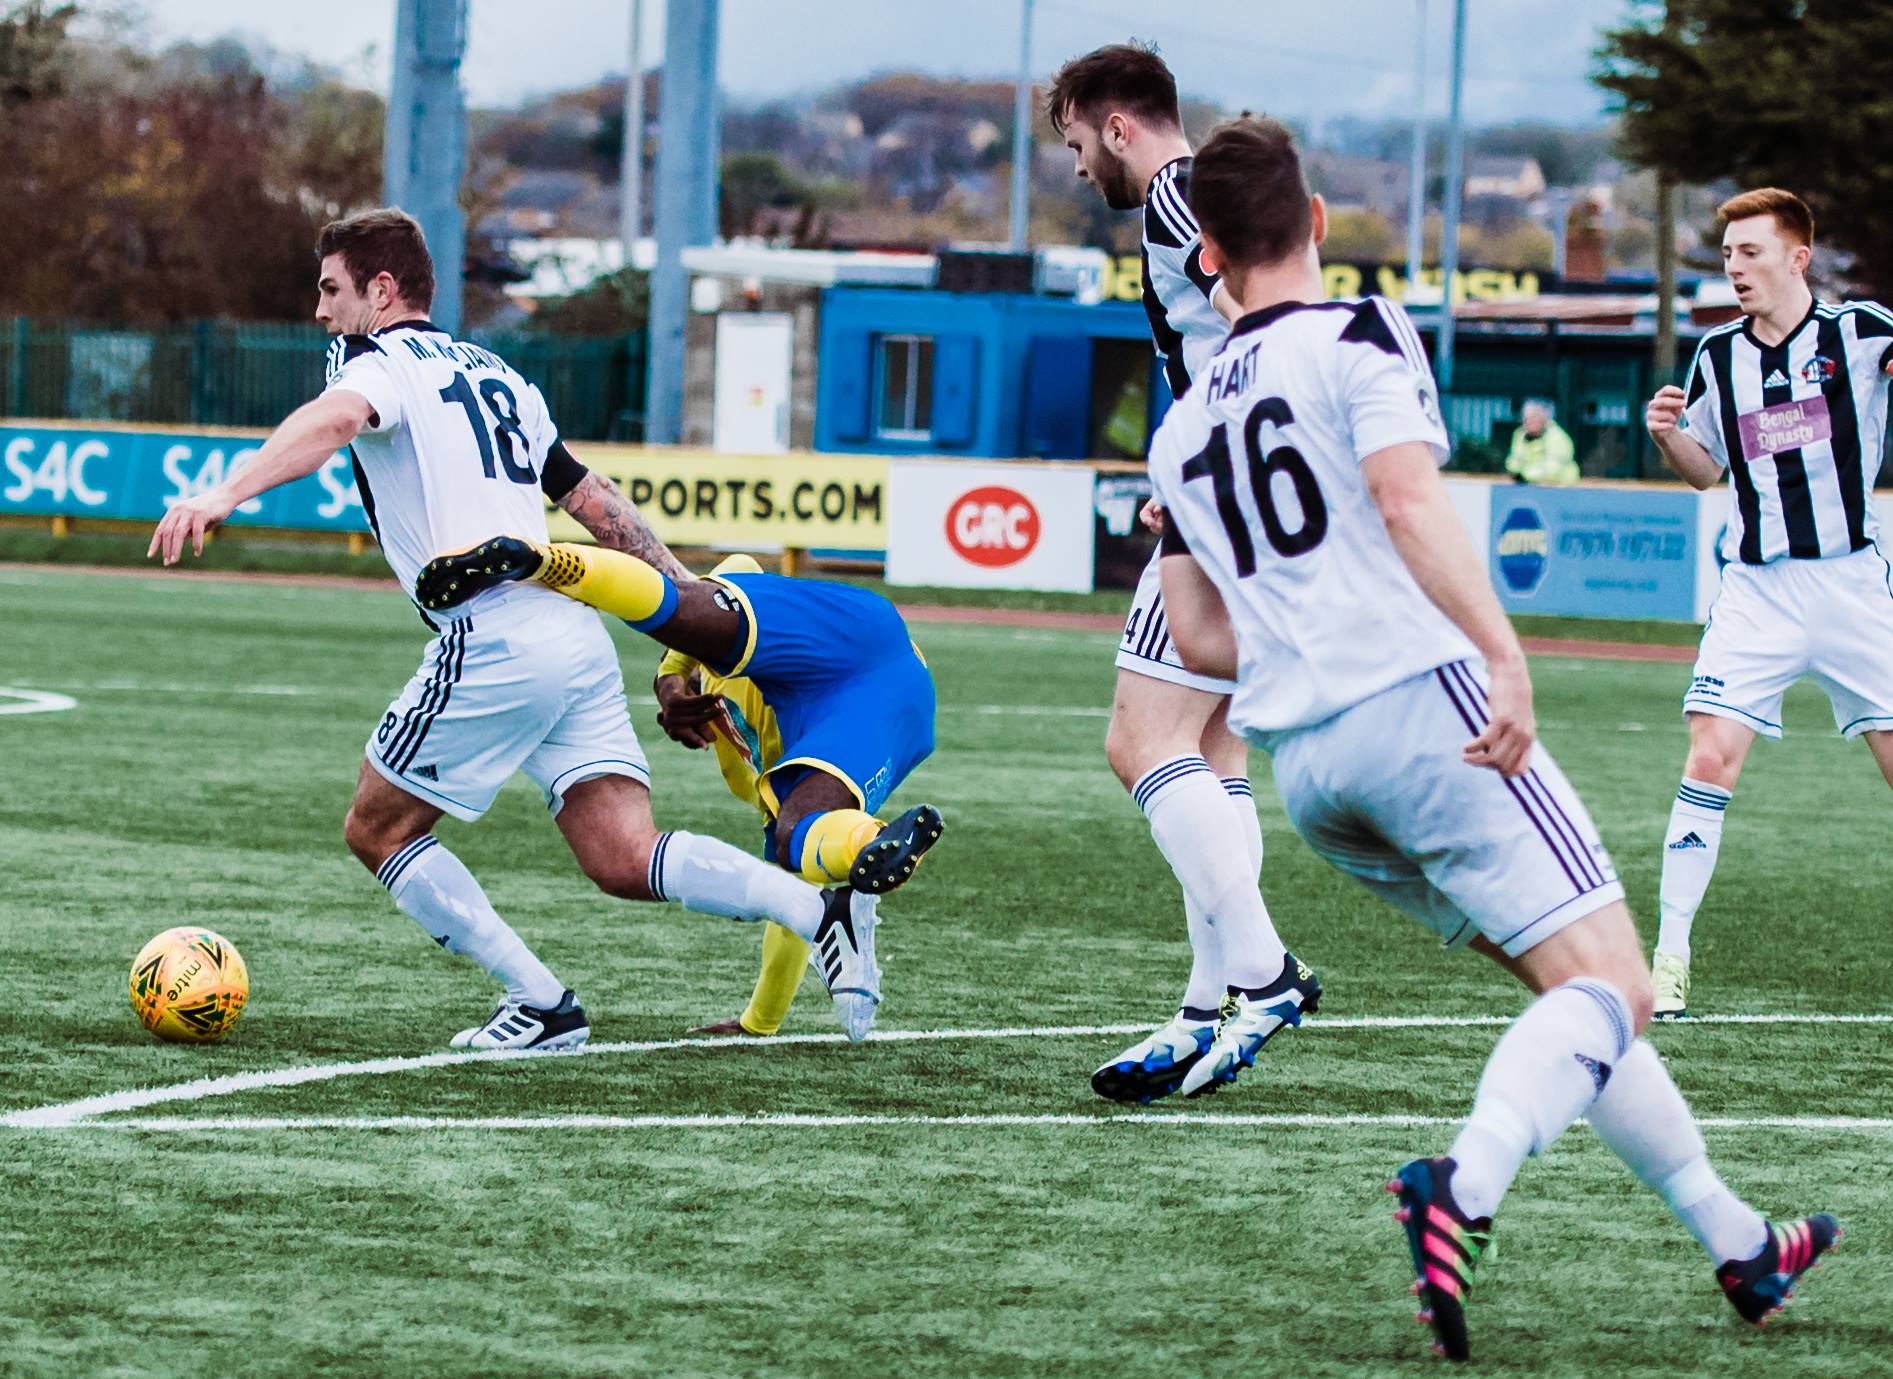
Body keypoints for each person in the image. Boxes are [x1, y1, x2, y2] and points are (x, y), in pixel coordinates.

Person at [1150, 119, 1837, 1362]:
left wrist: (1305, 650)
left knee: (1575, 997)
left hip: (1309, 773)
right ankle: (1456, 1190)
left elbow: (1195, 630)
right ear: (1314, 223)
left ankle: (1740, 1241)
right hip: (1425, 714)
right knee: (1615, 987)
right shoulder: (1362, 329)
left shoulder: (1182, 423)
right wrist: (1503, 654)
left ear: (1206, 252)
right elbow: (1410, 501)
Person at [147, 208, 881, 1050]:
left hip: (492, 633)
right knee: (620, 853)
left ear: (381, 291)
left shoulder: (380, 362)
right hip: (571, 631)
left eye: (331, 289)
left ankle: (539, 1000)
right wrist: (684, 595)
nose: (320, 311)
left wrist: (220, 494)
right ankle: (812, 905)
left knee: (376, 827)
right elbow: (590, 495)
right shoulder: (500, 373)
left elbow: (334, 420)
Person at [1048, 41, 1317, 1104]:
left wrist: (1202, 452)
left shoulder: (1173, 192)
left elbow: (1252, 325)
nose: (1078, 169)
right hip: (1253, 487)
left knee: (1139, 741)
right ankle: (1209, 1007)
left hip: (1226, 494)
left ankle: (1263, 971)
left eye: (1077, 143)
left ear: (1119, 125)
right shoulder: (1222, 191)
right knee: (1213, 746)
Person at [415, 543, 944, 1037]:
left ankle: (537, 558)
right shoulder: (776, 776)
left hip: (841, 643)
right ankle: (860, 862)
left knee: (676, 608)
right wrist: (757, 1024)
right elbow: (794, 899)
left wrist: (672, 680)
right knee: (797, 842)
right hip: (879, 688)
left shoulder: (754, 759)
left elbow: (729, 574)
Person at [1644, 187, 1893, 1020]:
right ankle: (1668, 958)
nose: (1734, 269)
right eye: (1726, 256)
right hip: (1757, 590)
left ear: (1797, 257)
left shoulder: (1860, 333)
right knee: (1709, 756)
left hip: (1851, 585)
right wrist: (1667, 433)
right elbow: (1705, 468)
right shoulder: (1716, 356)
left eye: (1750, 253)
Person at [1504, 399, 1579, 484]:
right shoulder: (1520, 434)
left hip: (1561, 488)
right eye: (1527, 419)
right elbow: (1513, 462)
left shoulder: (1557, 437)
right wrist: (1516, 472)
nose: (1531, 422)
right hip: (1529, 485)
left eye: (1535, 418)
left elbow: (1552, 470)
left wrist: (1524, 475)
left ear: (1543, 419)